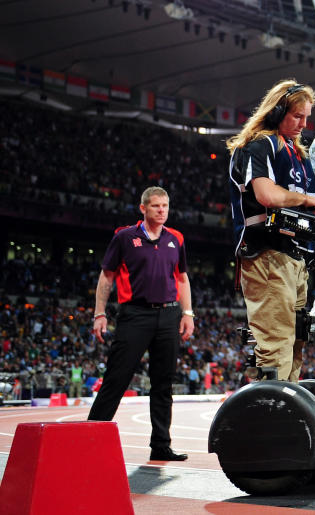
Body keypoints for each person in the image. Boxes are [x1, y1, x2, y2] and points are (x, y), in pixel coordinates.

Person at [227, 81, 315, 382]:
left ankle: (288, 417)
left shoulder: (298, 154)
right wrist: (307, 199)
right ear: (276, 112)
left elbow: (309, 204)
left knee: (295, 343)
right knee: (277, 346)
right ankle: (268, 420)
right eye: (297, 116)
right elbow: (267, 195)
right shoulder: (260, 144)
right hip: (267, 253)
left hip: (295, 258)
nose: (304, 124)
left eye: (307, 117)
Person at [88, 186, 194, 462]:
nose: (162, 211)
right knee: (117, 378)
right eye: (156, 206)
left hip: (169, 315)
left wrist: (188, 313)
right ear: (143, 208)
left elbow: (182, 278)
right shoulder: (124, 237)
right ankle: (88, 438)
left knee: (163, 383)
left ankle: (161, 445)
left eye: (166, 206)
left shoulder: (176, 238)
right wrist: (100, 313)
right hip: (135, 315)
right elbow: (106, 277)